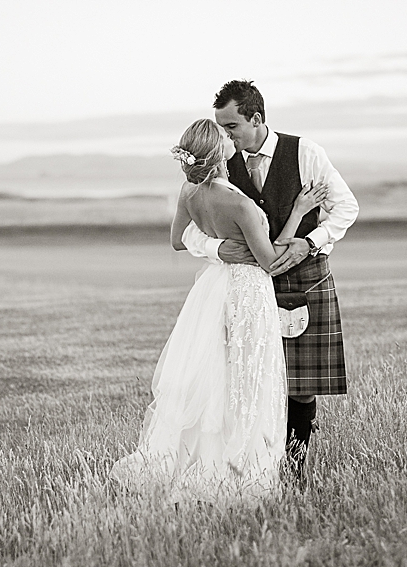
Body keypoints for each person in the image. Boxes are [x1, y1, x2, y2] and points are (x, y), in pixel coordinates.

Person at [110, 119, 327, 500]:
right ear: (221, 152)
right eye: (225, 137)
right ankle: (237, 467)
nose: (231, 139)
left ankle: (205, 456)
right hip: (247, 294)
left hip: (213, 288)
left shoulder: (189, 192)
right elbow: (271, 260)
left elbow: (177, 241)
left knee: (216, 377)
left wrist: (214, 249)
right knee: (249, 380)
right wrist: (298, 212)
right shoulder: (239, 204)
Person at [181, 80, 359, 478]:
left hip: (304, 279)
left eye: (231, 127)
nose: (224, 136)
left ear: (256, 119)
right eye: (221, 127)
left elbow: (346, 207)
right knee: (250, 382)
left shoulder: (305, 153)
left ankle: (294, 469)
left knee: (300, 386)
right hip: (247, 285)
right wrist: (216, 250)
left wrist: (311, 241)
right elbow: (191, 229)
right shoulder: (222, 163)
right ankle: (254, 465)